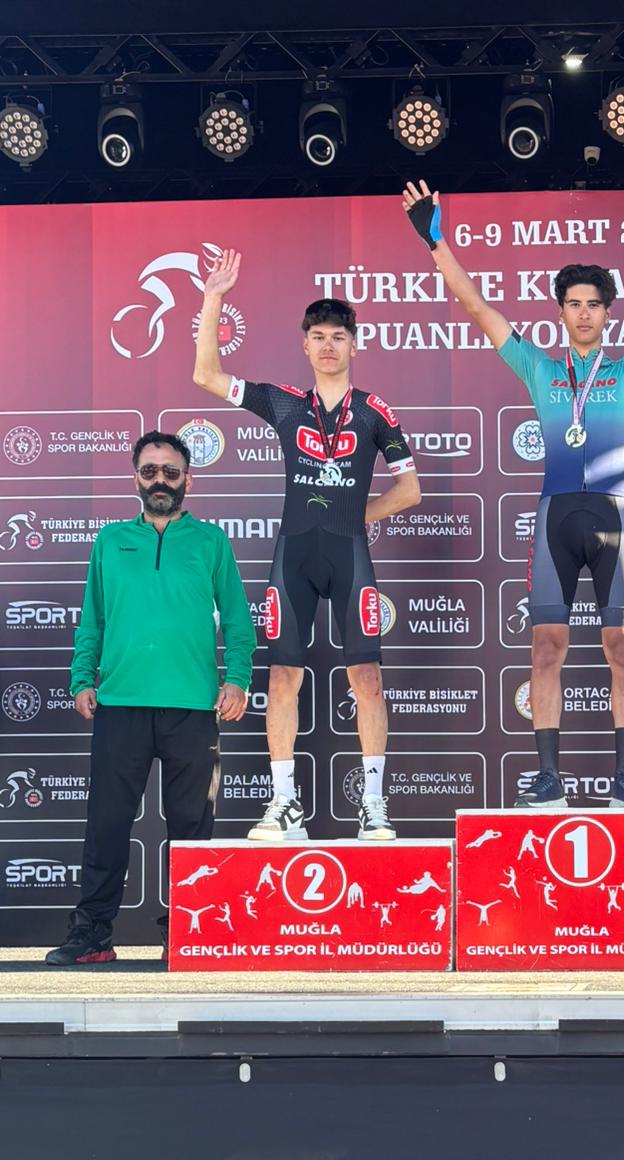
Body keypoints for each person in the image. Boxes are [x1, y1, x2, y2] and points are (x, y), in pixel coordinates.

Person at [403, 173, 624, 809]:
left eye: (594, 303)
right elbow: (477, 308)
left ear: (607, 312)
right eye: (574, 303)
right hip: (556, 518)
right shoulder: (538, 367)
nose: (584, 312)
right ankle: (548, 779)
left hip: (615, 518)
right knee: (546, 648)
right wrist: (436, 244)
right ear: (560, 312)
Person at [193, 254, 422, 841]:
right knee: (281, 679)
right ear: (304, 344)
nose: (327, 346)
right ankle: (285, 805)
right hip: (293, 555)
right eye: (318, 337)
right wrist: (214, 298)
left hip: (348, 554)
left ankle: (375, 804)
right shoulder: (284, 402)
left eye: (338, 337)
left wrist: (353, 514)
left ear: (354, 345)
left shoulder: (375, 411)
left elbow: (410, 491)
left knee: (367, 678)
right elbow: (207, 376)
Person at [45, 431, 254, 966]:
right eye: (149, 471)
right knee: (107, 824)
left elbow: (237, 619)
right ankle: (93, 935)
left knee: (192, 830)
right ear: (135, 478)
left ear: (188, 480)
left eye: (170, 471)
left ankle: (187, 933)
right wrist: (81, 678)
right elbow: (92, 618)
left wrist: (237, 679)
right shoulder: (110, 540)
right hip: (120, 703)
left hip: (194, 707)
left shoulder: (211, 542)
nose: (160, 480)